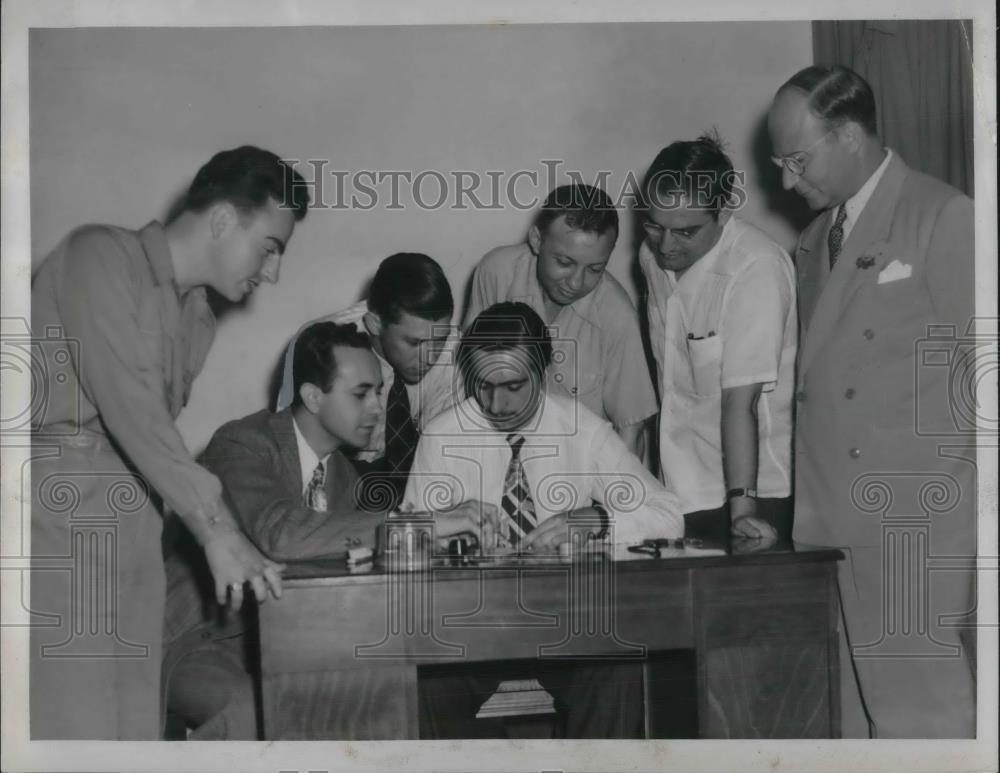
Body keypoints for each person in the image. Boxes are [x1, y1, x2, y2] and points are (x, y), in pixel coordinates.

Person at [29, 145, 308, 739]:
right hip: (62, 515)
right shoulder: (98, 254)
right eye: (271, 247)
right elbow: (130, 406)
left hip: (139, 523)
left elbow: (153, 439)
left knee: (135, 729)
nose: (273, 272)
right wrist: (217, 529)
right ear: (224, 220)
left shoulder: (197, 316)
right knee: (76, 730)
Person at [767, 65, 976, 738]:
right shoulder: (813, 240)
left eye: (796, 159)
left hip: (908, 524)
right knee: (852, 728)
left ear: (850, 134)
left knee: (923, 723)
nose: (784, 181)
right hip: (828, 523)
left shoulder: (941, 216)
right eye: (778, 161)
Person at [404, 302, 681, 738]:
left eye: (514, 385)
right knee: (428, 684)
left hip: (565, 623)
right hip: (472, 626)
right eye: (483, 385)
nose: (497, 404)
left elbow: (668, 515)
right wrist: (445, 530)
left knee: (618, 668)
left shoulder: (581, 429)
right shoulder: (442, 435)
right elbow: (408, 542)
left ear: (545, 367)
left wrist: (599, 519)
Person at [163, 321, 388, 738]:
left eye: (379, 392)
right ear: (312, 397)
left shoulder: (348, 479)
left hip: (281, 641)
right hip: (197, 639)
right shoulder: (243, 443)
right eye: (362, 394)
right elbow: (280, 534)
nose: (377, 407)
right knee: (253, 711)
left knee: (372, 697)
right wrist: (409, 523)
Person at [638, 133, 797, 545]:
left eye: (685, 232)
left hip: (750, 494)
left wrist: (742, 507)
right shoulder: (651, 256)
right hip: (677, 490)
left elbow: (738, 401)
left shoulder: (756, 268)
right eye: (655, 226)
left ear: (724, 213)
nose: (666, 246)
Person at [464, 184, 657, 459]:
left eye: (594, 269)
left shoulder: (617, 315)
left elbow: (631, 432)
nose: (576, 282)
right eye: (564, 262)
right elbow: (470, 376)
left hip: (577, 475)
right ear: (536, 240)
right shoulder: (496, 272)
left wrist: (613, 500)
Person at [275, 252, 457, 508]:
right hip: (336, 477)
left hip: (415, 478)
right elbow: (293, 453)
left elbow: (446, 457)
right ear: (374, 323)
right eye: (415, 343)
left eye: (440, 339)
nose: (431, 356)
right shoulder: (322, 346)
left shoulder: (454, 354)